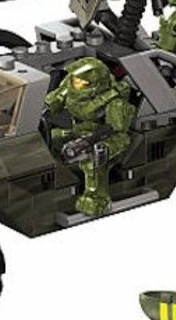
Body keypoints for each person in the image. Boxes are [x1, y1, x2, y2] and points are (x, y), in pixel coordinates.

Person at [44, 57, 135, 217]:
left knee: (95, 156)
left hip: (107, 137)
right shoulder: (71, 85)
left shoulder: (114, 101)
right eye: (75, 81)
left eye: (82, 83)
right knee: (51, 137)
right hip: (79, 131)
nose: (76, 85)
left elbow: (117, 131)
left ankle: (97, 198)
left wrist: (93, 142)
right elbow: (54, 100)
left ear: (96, 85)